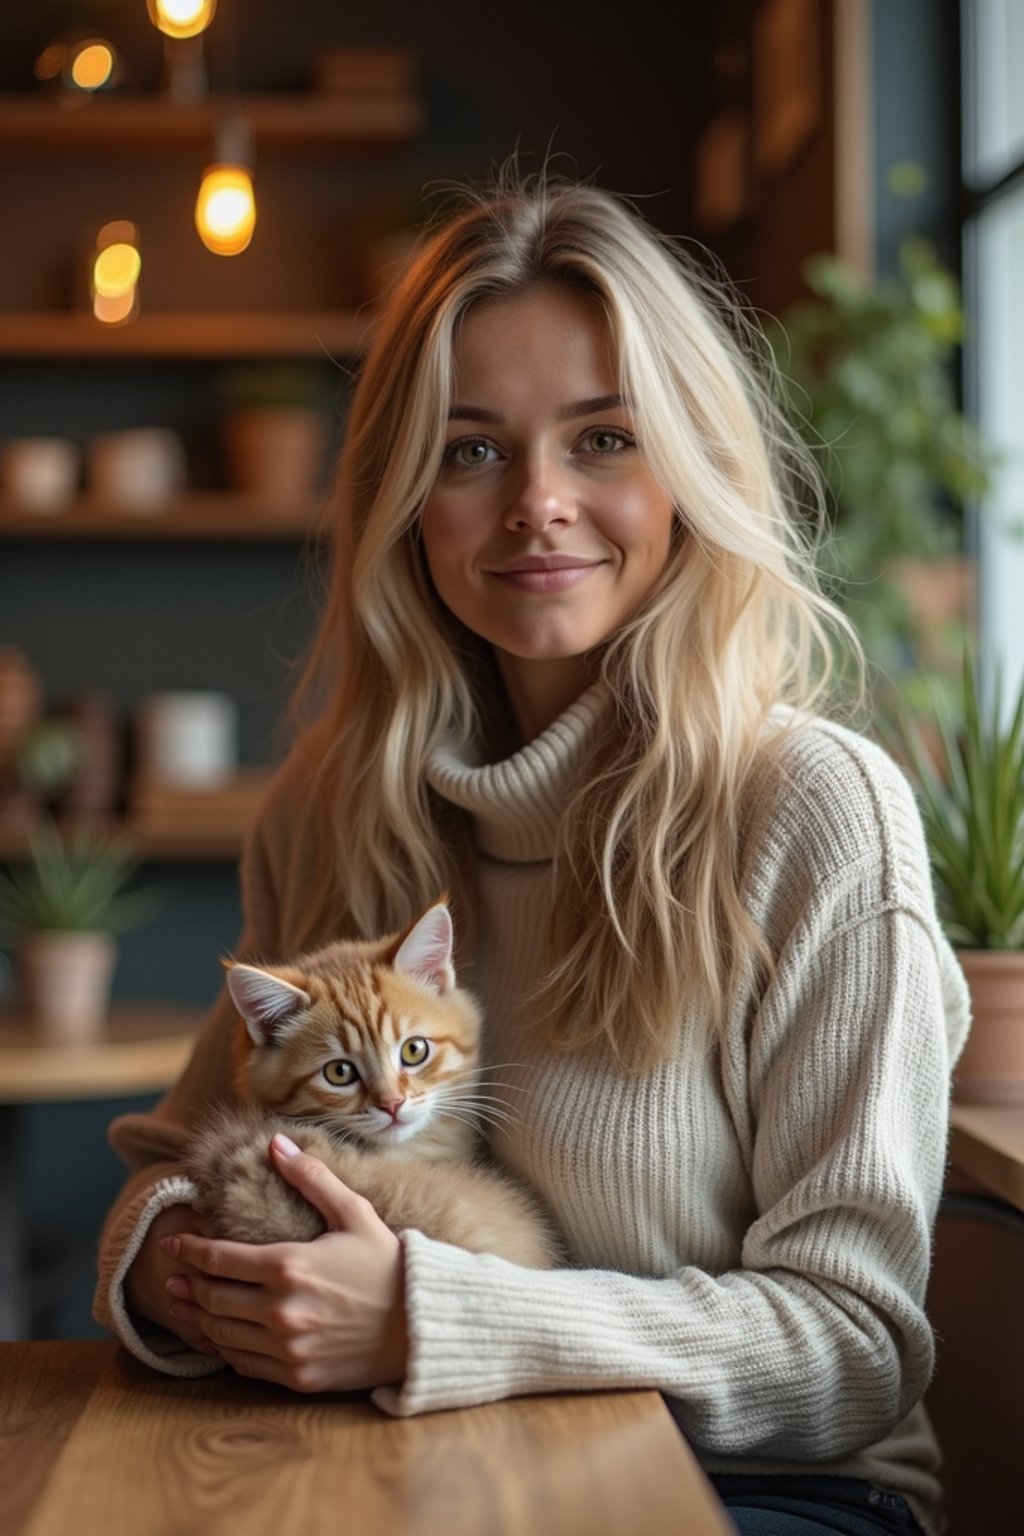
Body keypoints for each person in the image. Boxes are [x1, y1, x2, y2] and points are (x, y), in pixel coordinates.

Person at [95, 174, 969, 1536]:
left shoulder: (813, 810)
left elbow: (852, 1350)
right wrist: (178, 1273)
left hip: (760, 1493)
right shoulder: (327, 805)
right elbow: (168, 1169)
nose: (538, 505)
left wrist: (434, 1321)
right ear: (404, 499)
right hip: (398, 1469)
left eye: (605, 437)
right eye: (471, 450)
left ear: (692, 471)